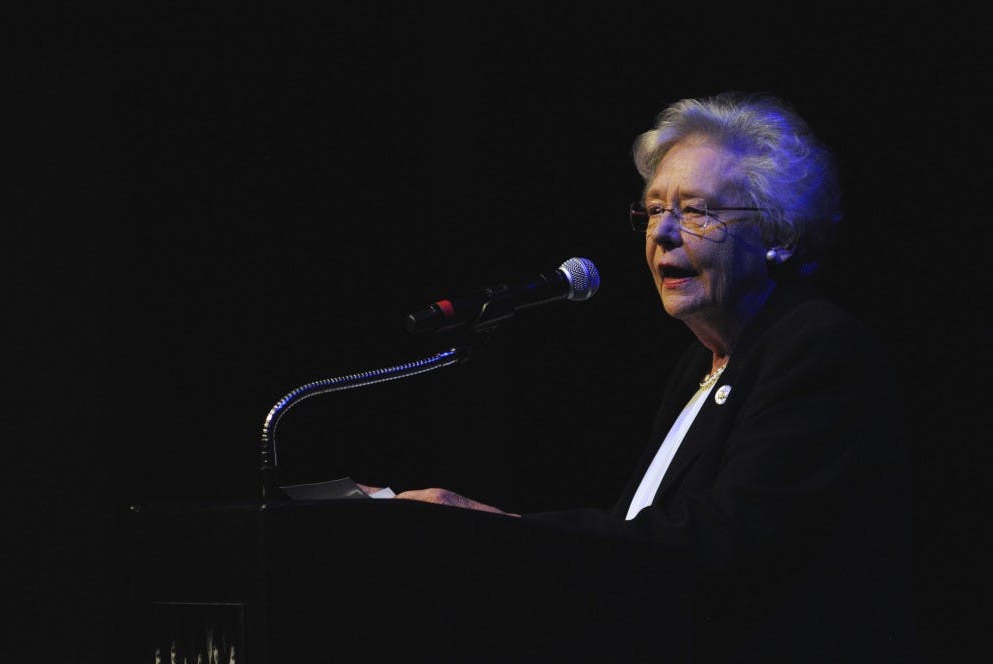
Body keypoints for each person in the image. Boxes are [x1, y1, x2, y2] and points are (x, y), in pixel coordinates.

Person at [358, 91, 922, 661]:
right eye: (653, 210)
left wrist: (499, 530)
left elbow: (717, 544)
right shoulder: (699, 365)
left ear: (780, 237)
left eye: (697, 210)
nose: (663, 233)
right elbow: (643, 546)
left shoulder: (817, 346)